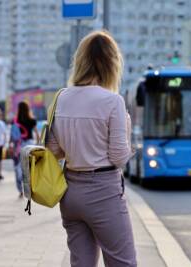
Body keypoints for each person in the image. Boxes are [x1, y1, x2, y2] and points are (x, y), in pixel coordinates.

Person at [46, 31, 136, 267]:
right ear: (112, 63)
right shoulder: (112, 101)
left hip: (70, 192)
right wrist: (126, 132)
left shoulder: (62, 97)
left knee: (81, 263)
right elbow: (118, 157)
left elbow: (54, 150)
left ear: (80, 60)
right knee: (123, 262)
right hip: (103, 191)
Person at [11, 102, 38, 198]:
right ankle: (28, 189)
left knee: (18, 166)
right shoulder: (32, 120)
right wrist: (38, 145)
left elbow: (13, 135)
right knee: (28, 167)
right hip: (30, 145)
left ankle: (20, 189)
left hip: (19, 145)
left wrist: (12, 146)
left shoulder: (15, 120)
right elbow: (36, 133)